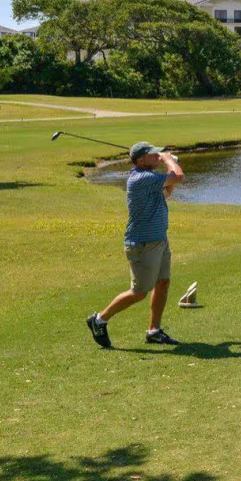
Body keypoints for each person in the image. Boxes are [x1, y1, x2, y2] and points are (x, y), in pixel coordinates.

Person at [86, 141, 184, 349]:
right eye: (153, 155)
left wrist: (169, 167)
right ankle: (99, 320)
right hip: (142, 244)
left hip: (159, 240)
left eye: (159, 154)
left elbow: (167, 191)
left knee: (163, 282)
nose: (157, 157)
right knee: (139, 292)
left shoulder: (150, 179)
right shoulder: (141, 178)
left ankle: (154, 331)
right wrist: (168, 161)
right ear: (140, 160)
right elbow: (178, 176)